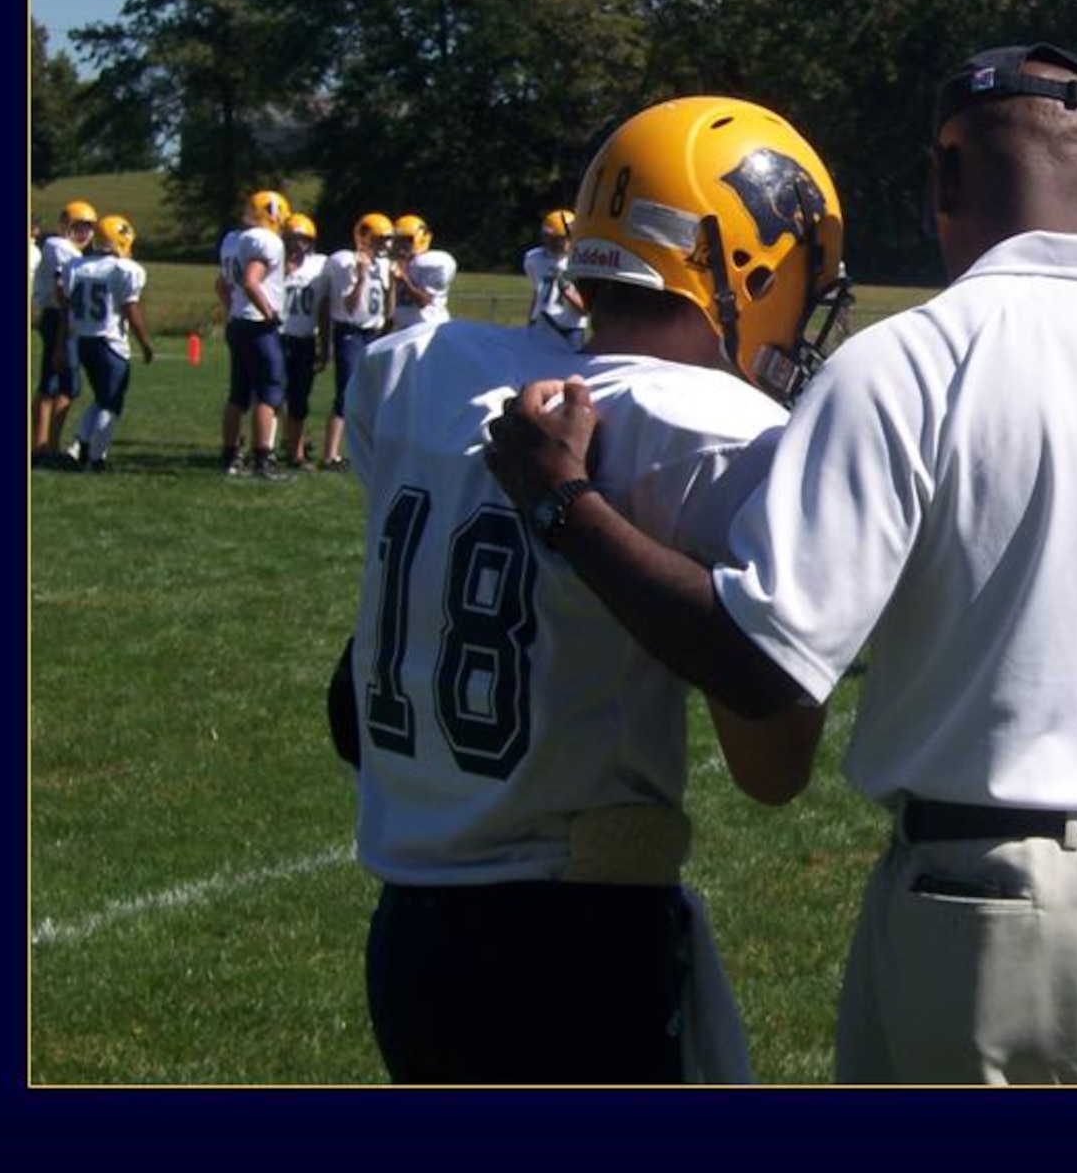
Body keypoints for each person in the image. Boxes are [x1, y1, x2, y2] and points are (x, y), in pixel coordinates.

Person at [488, 42, 1077, 1086]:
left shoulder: (904, 360)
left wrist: (564, 503)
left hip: (993, 905)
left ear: (942, 181)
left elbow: (763, 666)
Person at [336, 95, 849, 1085]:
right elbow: (770, 764)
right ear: (746, 261)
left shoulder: (419, 370)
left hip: (409, 932)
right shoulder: (707, 427)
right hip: (572, 941)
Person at [62, 215, 154, 472]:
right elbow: (131, 310)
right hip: (109, 343)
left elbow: (67, 306)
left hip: (83, 340)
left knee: (102, 397)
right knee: (112, 401)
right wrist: (145, 343)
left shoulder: (76, 266)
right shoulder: (124, 270)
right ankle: (97, 457)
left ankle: (78, 445)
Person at [215, 190, 292, 479]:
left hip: (238, 323)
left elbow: (221, 285)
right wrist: (269, 313)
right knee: (269, 393)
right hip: (258, 326)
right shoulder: (265, 240)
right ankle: (263, 458)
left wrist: (235, 308)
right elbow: (250, 281)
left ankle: (230, 455)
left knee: (238, 394)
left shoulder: (233, 239)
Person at [315, 212, 395, 472]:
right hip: (350, 332)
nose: (385, 245)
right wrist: (361, 277)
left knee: (373, 394)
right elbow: (348, 306)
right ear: (364, 236)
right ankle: (329, 455)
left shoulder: (382, 265)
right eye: (380, 239)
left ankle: (368, 451)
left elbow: (387, 307)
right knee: (345, 393)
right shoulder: (346, 261)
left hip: (372, 333)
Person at [32, 199, 99, 467]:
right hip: (60, 318)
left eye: (88, 227)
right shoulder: (59, 247)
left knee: (52, 383)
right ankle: (47, 446)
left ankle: (43, 447)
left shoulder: (68, 250)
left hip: (59, 317)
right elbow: (64, 290)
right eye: (78, 226)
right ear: (63, 225)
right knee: (64, 385)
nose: (84, 233)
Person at [279, 213, 329, 469]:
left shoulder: (320, 265)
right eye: (292, 239)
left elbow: (323, 306)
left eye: (304, 240)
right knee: (270, 396)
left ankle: (295, 451)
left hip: (304, 339)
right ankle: (262, 446)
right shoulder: (271, 263)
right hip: (276, 336)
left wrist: (325, 343)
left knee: (299, 398)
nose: (298, 245)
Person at [524, 208, 589, 345]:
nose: (551, 243)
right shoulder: (533, 258)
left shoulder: (582, 261)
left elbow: (585, 309)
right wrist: (530, 321)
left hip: (570, 329)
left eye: (558, 239)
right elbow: (537, 292)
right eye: (549, 238)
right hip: (542, 324)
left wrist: (566, 290)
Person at [388, 214, 456, 331]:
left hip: (428, 329)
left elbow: (424, 302)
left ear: (421, 239)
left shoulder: (429, 262)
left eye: (406, 240)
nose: (400, 245)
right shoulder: (395, 263)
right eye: (397, 240)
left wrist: (404, 280)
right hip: (403, 330)